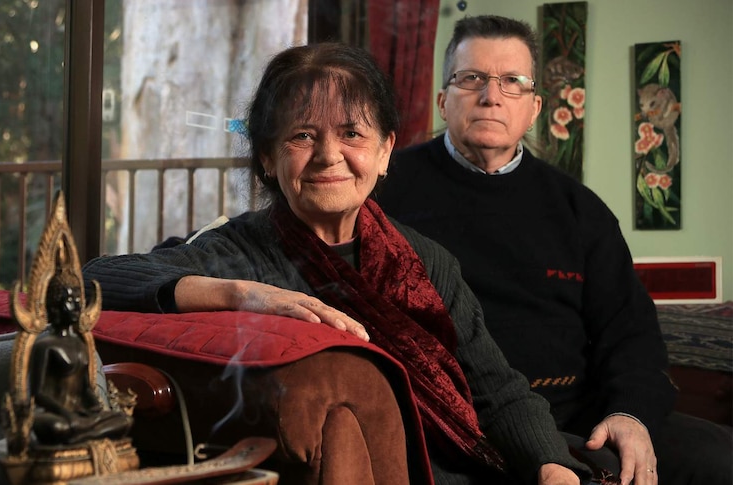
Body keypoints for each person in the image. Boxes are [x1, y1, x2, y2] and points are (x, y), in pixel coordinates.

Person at [83, 42, 604, 485]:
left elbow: (497, 390)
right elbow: (94, 278)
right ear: (268, 156)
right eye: (302, 136)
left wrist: (550, 464)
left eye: (352, 134)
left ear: (384, 153)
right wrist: (241, 294)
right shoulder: (238, 253)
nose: (329, 155)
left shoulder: (425, 259)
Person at [375, 14, 732, 485]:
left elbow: (630, 333)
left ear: (535, 107)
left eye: (512, 82)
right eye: (472, 78)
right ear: (443, 100)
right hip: (447, 421)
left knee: (720, 460)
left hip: (579, 418)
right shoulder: (385, 191)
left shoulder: (580, 209)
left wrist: (631, 414)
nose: (491, 95)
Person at [29, 270, 133, 445]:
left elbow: (85, 388)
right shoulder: (45, 346)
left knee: (124, 420)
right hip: (57, 415)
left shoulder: (81, 344)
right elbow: (38, 393)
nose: (77, 306)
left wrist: (96, 407)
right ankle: (87, 435)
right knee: (56, 427)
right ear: (54, 305)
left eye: (78, 299)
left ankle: (80, 437)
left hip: (81, 414)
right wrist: (67, 414)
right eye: (70, 300)